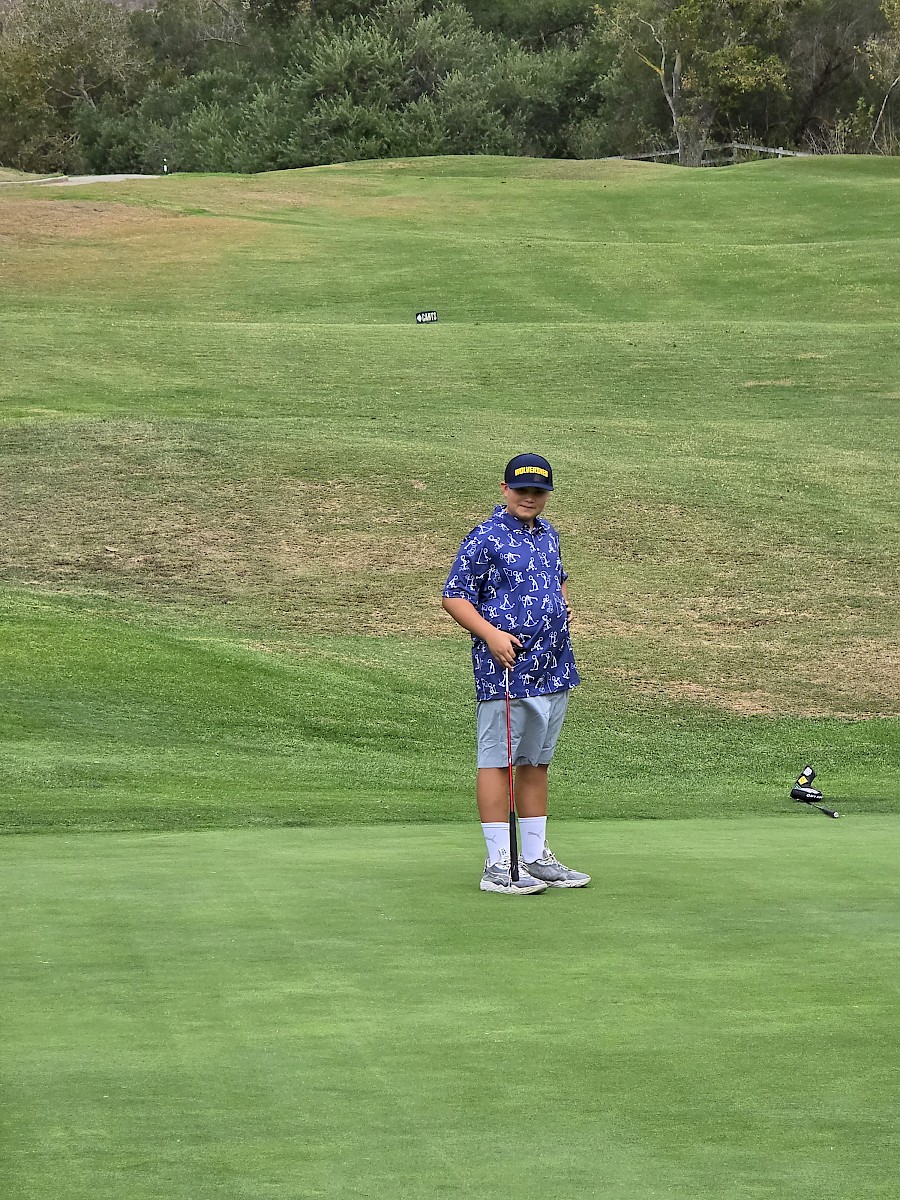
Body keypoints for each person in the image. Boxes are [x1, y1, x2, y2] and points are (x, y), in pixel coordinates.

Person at [442, 453, 591, 895]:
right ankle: (498, 865)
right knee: (498, 761)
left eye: (538, 491)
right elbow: (454, 596)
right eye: (522, 489)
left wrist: (562, 605)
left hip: (554, 665)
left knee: (535, 761)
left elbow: (558, 578)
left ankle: (536, 857)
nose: (530, 497)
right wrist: (491, 635)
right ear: (505, 488)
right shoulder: (485, 537)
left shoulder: (548, 534)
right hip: (507, 668)